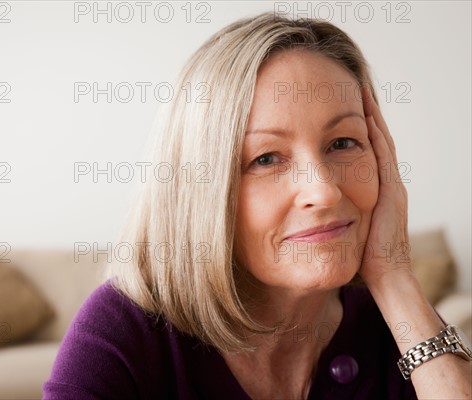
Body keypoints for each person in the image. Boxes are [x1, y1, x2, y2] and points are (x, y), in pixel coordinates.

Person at [43, 12, 472, 399]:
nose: (324, 191)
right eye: (266, 158)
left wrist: (394, 274)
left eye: (343, 143)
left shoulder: (393, 317)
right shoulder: (122, 333)